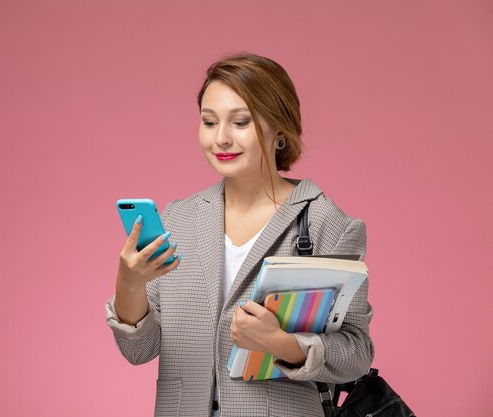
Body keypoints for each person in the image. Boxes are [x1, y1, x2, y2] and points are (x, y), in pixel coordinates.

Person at [105, 53, 374, 417]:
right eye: (209, 121)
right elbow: (139, 350)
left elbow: (356, 353)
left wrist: (281, 343)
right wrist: (129, 284)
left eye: (241, 122)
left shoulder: (328, 223)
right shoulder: (179, 218)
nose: (221, 138)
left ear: (279, 129)